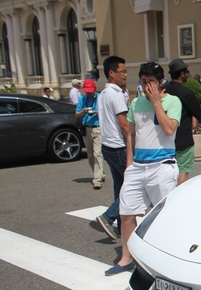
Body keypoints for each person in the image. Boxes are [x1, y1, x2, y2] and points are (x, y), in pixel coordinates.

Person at [105, 62, 181, 276]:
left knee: (163, 215)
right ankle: (126, 258)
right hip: (138, 166)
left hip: (162, 165)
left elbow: (169, 130)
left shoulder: (172, 102)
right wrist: (129, 165)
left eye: (151, 82)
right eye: (143, 81)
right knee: (126, 212)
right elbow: (130, 134)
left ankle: (166, 257)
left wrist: (157, 102)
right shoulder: (136, 103)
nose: (147, 86)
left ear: (160, 82)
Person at [163, 58, 201, 186]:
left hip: (164, 139)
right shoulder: (186, 93)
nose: (188, 74)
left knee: (167, 172)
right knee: (183, 171)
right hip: (183, 139)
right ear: (182, 73)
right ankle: (177, 199)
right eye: (187, 71)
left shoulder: (163, 90)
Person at [96, 56, 129, 241]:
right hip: (118, 147)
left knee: (120, 186)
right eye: (122, 71)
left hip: (107, 146)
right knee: (133, 186)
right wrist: (135, 142)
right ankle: (108, 217)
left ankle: (120, 224)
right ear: (111, 73)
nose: (125, 75)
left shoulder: (103, 93)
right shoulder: (116, 94)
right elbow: (123, 124)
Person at [75, 79, 104, 189]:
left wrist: (97, 112)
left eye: (90, 91)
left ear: (95, 89)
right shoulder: (82, 99)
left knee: (98, 153)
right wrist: (83, 111)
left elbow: (106, 113)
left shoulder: (101, 97)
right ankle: (101, 173)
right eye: (87, 91)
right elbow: (77, 114)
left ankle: (97, 179)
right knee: (90, 155)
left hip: (98, 128)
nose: (89, 93)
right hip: (86, 128)